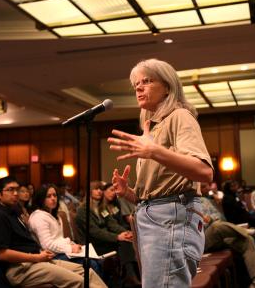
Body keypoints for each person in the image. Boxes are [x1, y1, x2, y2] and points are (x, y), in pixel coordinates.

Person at [108, 58, 214, 287]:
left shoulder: (180, 116)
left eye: (146, 81)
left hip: (172, 218)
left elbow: (204, 172)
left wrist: (153, 151)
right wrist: (129, 193)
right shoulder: (153, 127)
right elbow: (155, 194)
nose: (138, 87)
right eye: (136, 83)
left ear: (167, 86)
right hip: (156, 217)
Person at [0, 176, 106, 288]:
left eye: (17, 190)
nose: (15, 193)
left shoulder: (14, 212)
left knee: (87, 272)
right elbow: (2, 254)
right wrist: (36, 257)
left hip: (35, 261)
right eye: (10, 190)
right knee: (79, 281)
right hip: (19, 269)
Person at [28, 183, 102, 277]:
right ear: (41, 199)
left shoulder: (53, 215)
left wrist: (72, 244)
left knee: (98, 260)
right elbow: (47, 245)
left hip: (60, 252)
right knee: (92, 264)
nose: (53, 198)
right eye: (48, 196)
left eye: (54, 195)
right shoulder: (38, 217)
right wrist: (70, 248)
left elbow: (58, 239)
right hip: (50, 256)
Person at [75, 181, 140, 287]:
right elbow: (94, 232)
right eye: (96, 189)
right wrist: (117, 237)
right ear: (90, 191)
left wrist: (126, 232)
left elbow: (112, 224)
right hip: (92, 244)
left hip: (104, 241)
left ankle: (131, 276)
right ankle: (130, 277)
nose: (99, 191)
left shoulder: (101, 208)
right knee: (123, 243)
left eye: (101, 189)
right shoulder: (83, 210)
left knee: (127, 241)